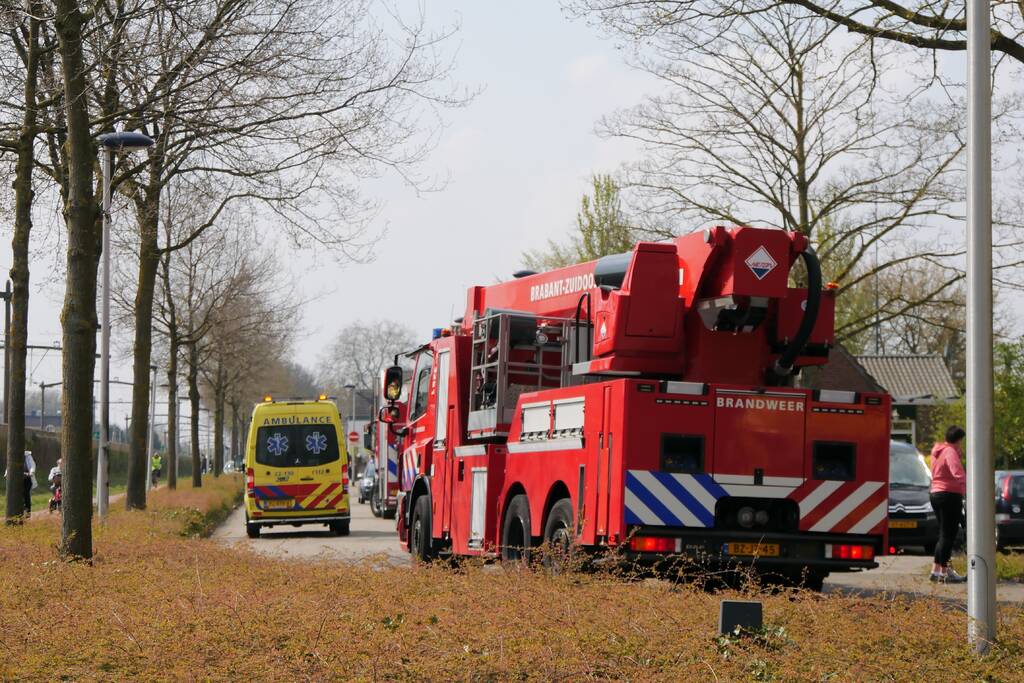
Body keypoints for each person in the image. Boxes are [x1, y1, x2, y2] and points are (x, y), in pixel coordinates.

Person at [929, 426, 967, 583]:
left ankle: (936, 570)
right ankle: (944, 572)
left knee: (944, 534)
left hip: (936, 493)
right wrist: (967, 490)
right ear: (959, 440)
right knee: (949, 535)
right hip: (949, 495)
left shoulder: (939, 451)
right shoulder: (950, 452)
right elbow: (956, 472)